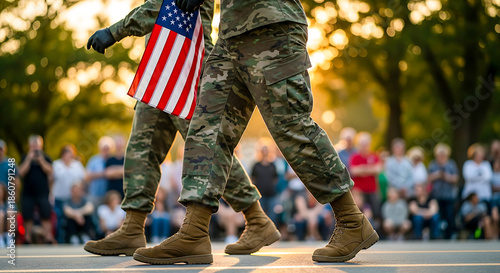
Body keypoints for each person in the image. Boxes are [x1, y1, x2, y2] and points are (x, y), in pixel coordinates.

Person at [132, 0, 378, 264]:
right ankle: (194, 232)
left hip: (272, 25)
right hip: (230, 36)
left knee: (291, 127)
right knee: (207, 130)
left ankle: (351, 220)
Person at [84, 0, 274, 257]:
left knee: (206, 149)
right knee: (142, 147)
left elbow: (161, 6)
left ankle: (257, 219)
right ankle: (132, 228)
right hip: (160, 64)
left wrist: (115, 31)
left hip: (187, 65)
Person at [18, 135, 54, 244]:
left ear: (41, 145)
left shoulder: (46, 157)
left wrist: (41, 160)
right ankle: (27, 238)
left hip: (43, 192)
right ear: (29, 146)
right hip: (28, 193)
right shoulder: (25, 157)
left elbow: (50, 171)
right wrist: (29, 159)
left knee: (46, 215)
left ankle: (47, 237)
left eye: (37, 145)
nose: (35, 147)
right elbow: (20, 172)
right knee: (28, 216)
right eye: (33, 145)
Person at [52, 144, 86, 243]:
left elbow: (83, 179)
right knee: (59, 219)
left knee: (72, 219)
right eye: (66, 153)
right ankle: (59, 240)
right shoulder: (56, 164)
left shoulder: (77, 165)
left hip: (73, 199)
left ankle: (74, 237)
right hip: (59, 197)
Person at [427, 143, 459, 239]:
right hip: (436, 194)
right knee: (437, 215)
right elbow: (428, 178)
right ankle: (437, 235)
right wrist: (437, 175)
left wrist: (446, 177)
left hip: (448, 195)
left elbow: (456, 178)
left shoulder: (451, 164)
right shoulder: (432, 165)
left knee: (449, 215)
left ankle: (449, 235)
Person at [349, 132, 382, 223]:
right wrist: (370, 169)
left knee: (375, 211)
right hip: (359, 191)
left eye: (366, 144)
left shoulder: (374, 156)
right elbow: (354, 171)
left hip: (372, 190)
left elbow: (378, 169)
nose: (364, 146)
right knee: (359, 211)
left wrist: (362, 169)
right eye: (362, 144)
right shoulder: (355, 157)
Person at [251, 144, 278, 223]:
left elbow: (275, 178)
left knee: (272, 215)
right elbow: (253, 179)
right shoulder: (256, 165)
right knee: (260, 215)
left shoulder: (273, 165)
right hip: (260, 195)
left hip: (271, 194)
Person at [85, 136, 115, 206]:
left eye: (107, 148)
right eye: (104, 148)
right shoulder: (94, 160)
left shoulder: (113, 160)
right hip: (95, 195)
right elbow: (86, 176)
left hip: (109, 197)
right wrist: (104, 174)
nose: (105, 150)